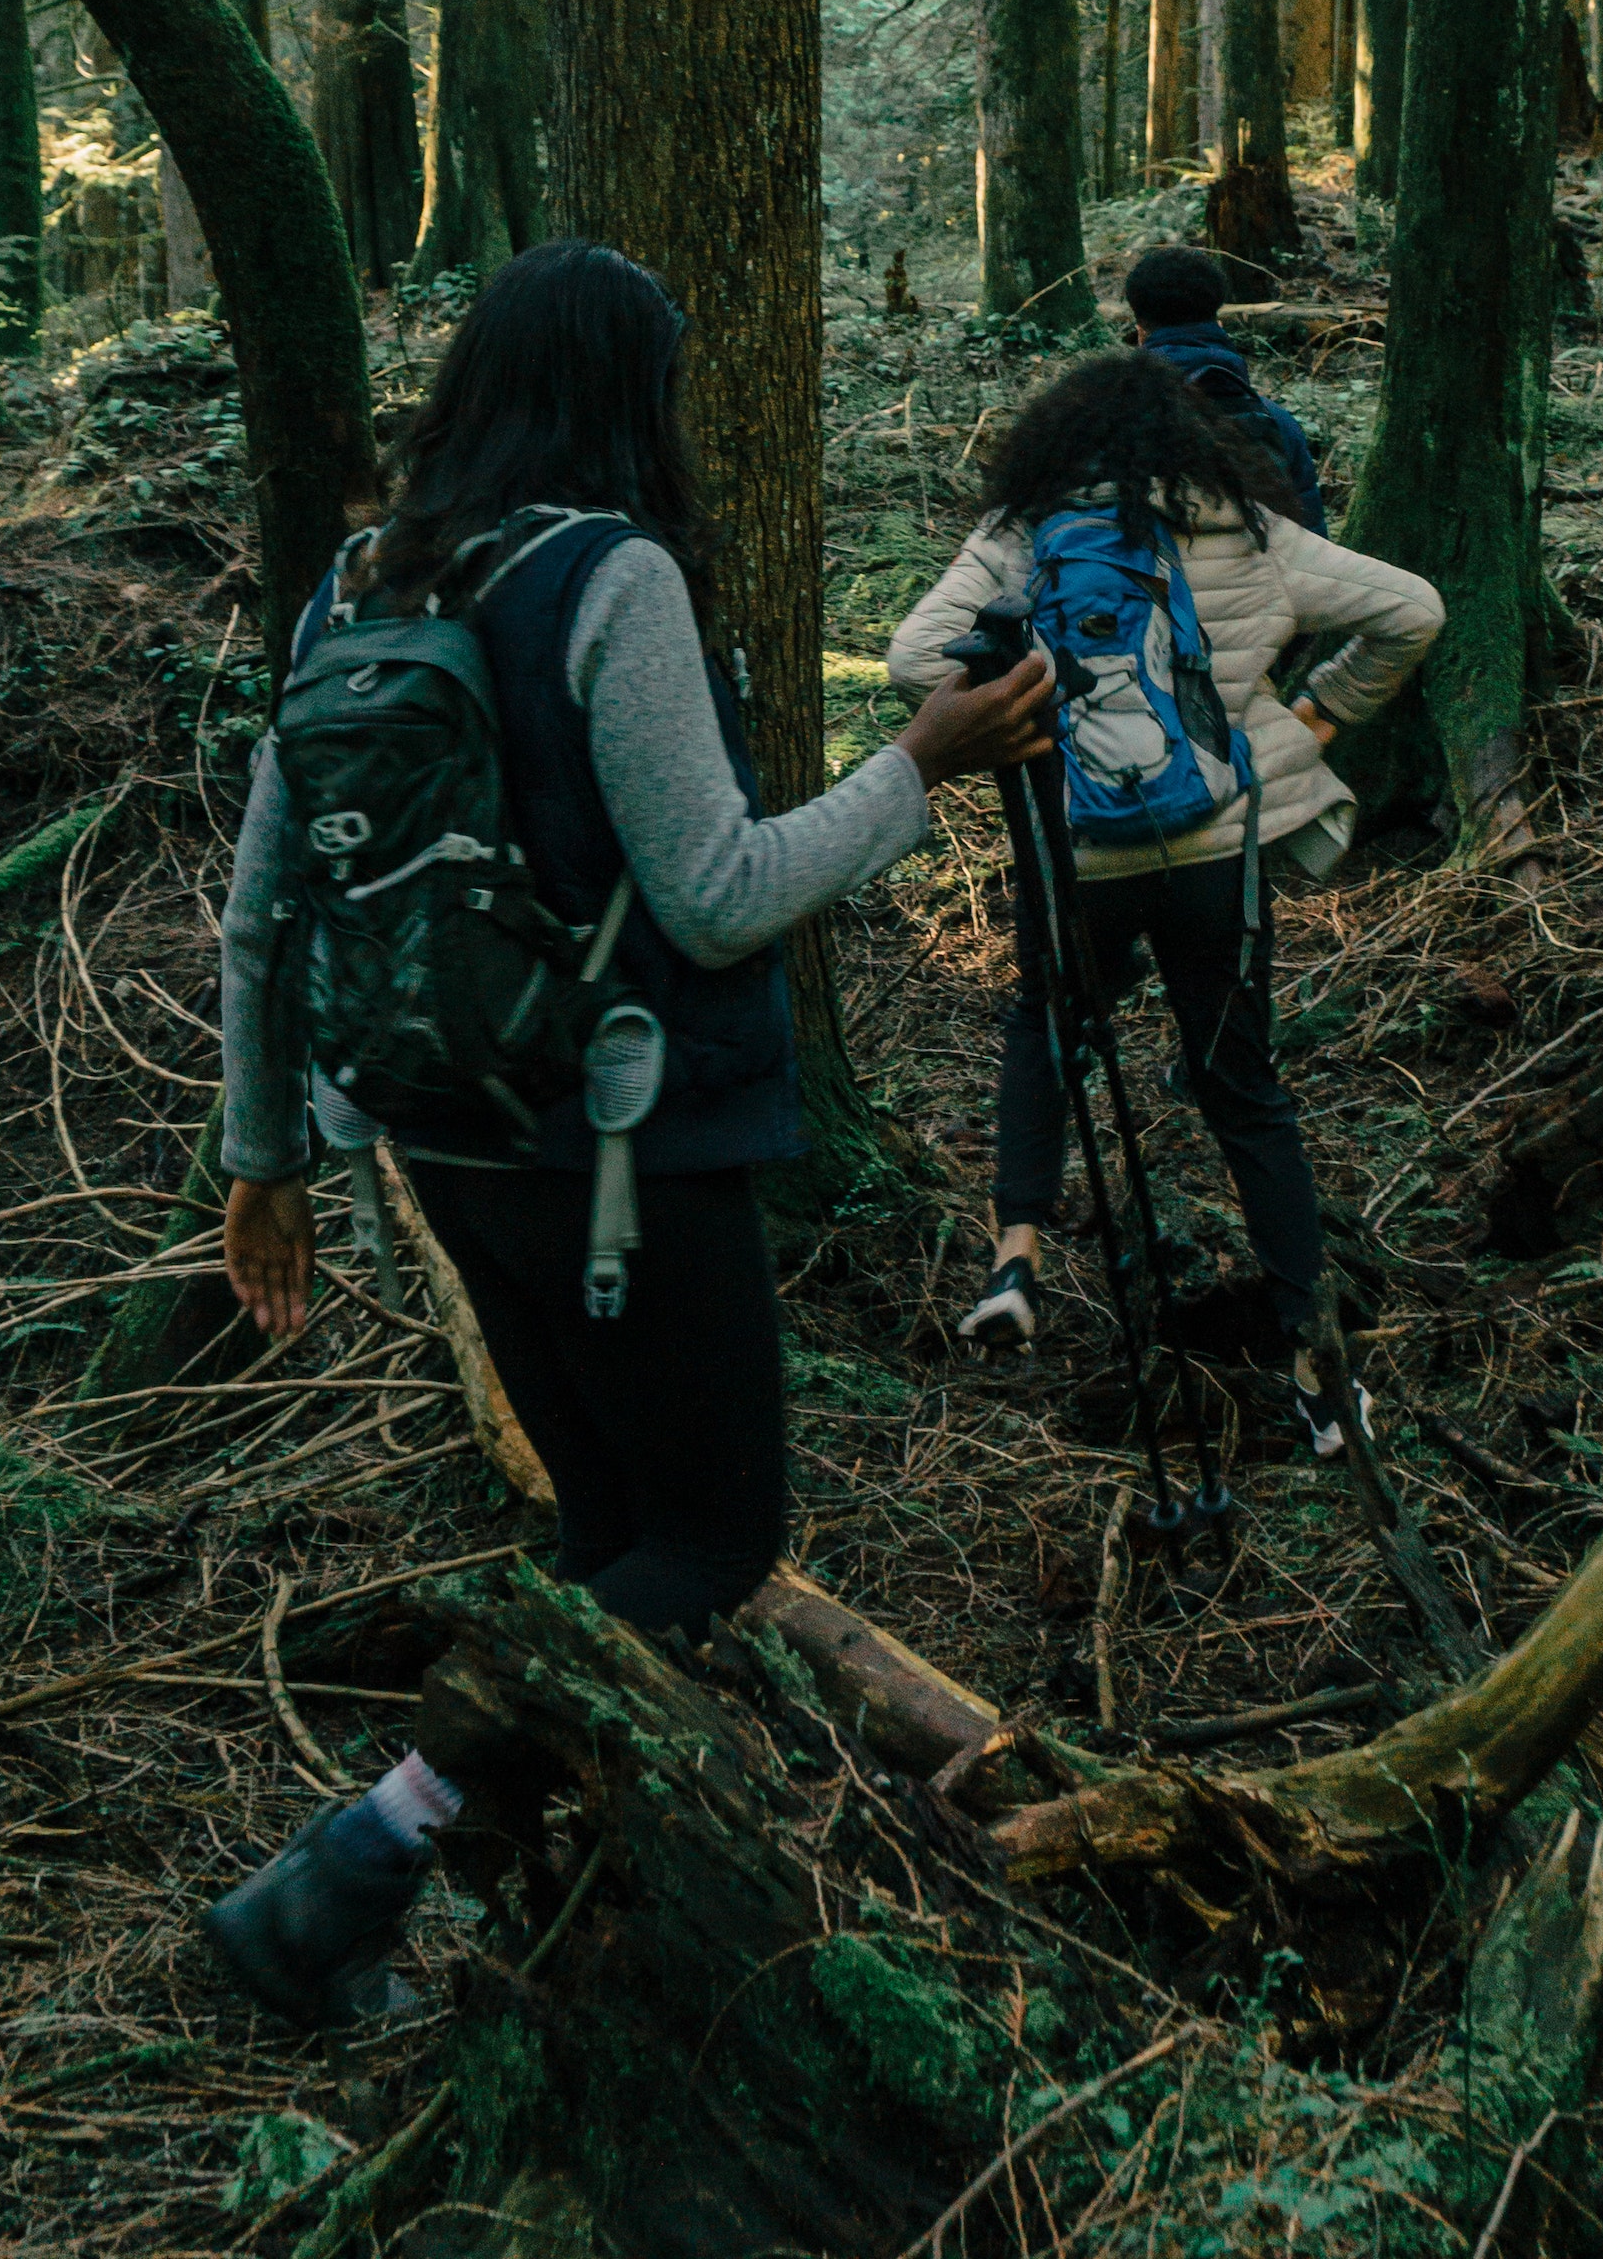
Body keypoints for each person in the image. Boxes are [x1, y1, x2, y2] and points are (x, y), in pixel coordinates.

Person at [204, 239, 1051, 2025]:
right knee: (714, 1539)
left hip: (440, 1136)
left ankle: (557, 1926)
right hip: (625, 1147)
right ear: (624, 391)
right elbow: (722, 893)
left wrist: (261, 1149)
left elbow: (267, 903)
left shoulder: (358, 578)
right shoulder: (614, 577)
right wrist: (926, 760)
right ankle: (356, 1856)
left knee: (606, 1536)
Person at [888, 351, 1442, 1441]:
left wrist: (1034, 725)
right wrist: (1315, 718)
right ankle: (1316, 1366)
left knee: (1046, 1028)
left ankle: (1014, 1263)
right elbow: (1411, 611)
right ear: (1179, 438)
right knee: (1243, 1085)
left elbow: (914, 657)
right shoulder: (1241, 525)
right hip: (1209, 852)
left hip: (1077, 853)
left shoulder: (1023, 530)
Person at [1120, 243, 1329, 532]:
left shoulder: (1104, 421)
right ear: (1219, 324)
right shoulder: (1278, 424)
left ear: (1141, 333)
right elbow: (1312, 539)